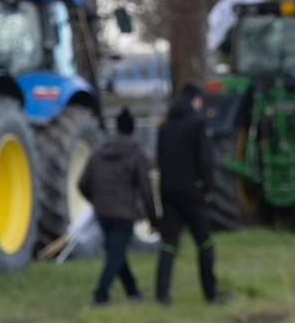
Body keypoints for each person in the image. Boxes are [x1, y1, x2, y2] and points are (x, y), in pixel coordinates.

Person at [77, 108, 156, 305]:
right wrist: (154, 218)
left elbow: (82, 183)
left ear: (116, 128)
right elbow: (146, 190)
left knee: (117, 251)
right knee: (115, 254)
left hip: (103, 213)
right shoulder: (135, 154)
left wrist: (96, 202)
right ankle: (100, 295)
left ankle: (132, 291)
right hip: (124, 213)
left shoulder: (98, 153)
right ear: (133, 130)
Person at [154, 82, 222, 305]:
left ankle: (162, 294)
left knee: (169, 243)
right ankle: (210, 294)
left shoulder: (165, 126)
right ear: (196, 99)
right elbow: (205, 158)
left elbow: (160, 159)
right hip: (192, 192)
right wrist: (208, 189)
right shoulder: (198, 123)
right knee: (204, 242)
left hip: (168, 191)